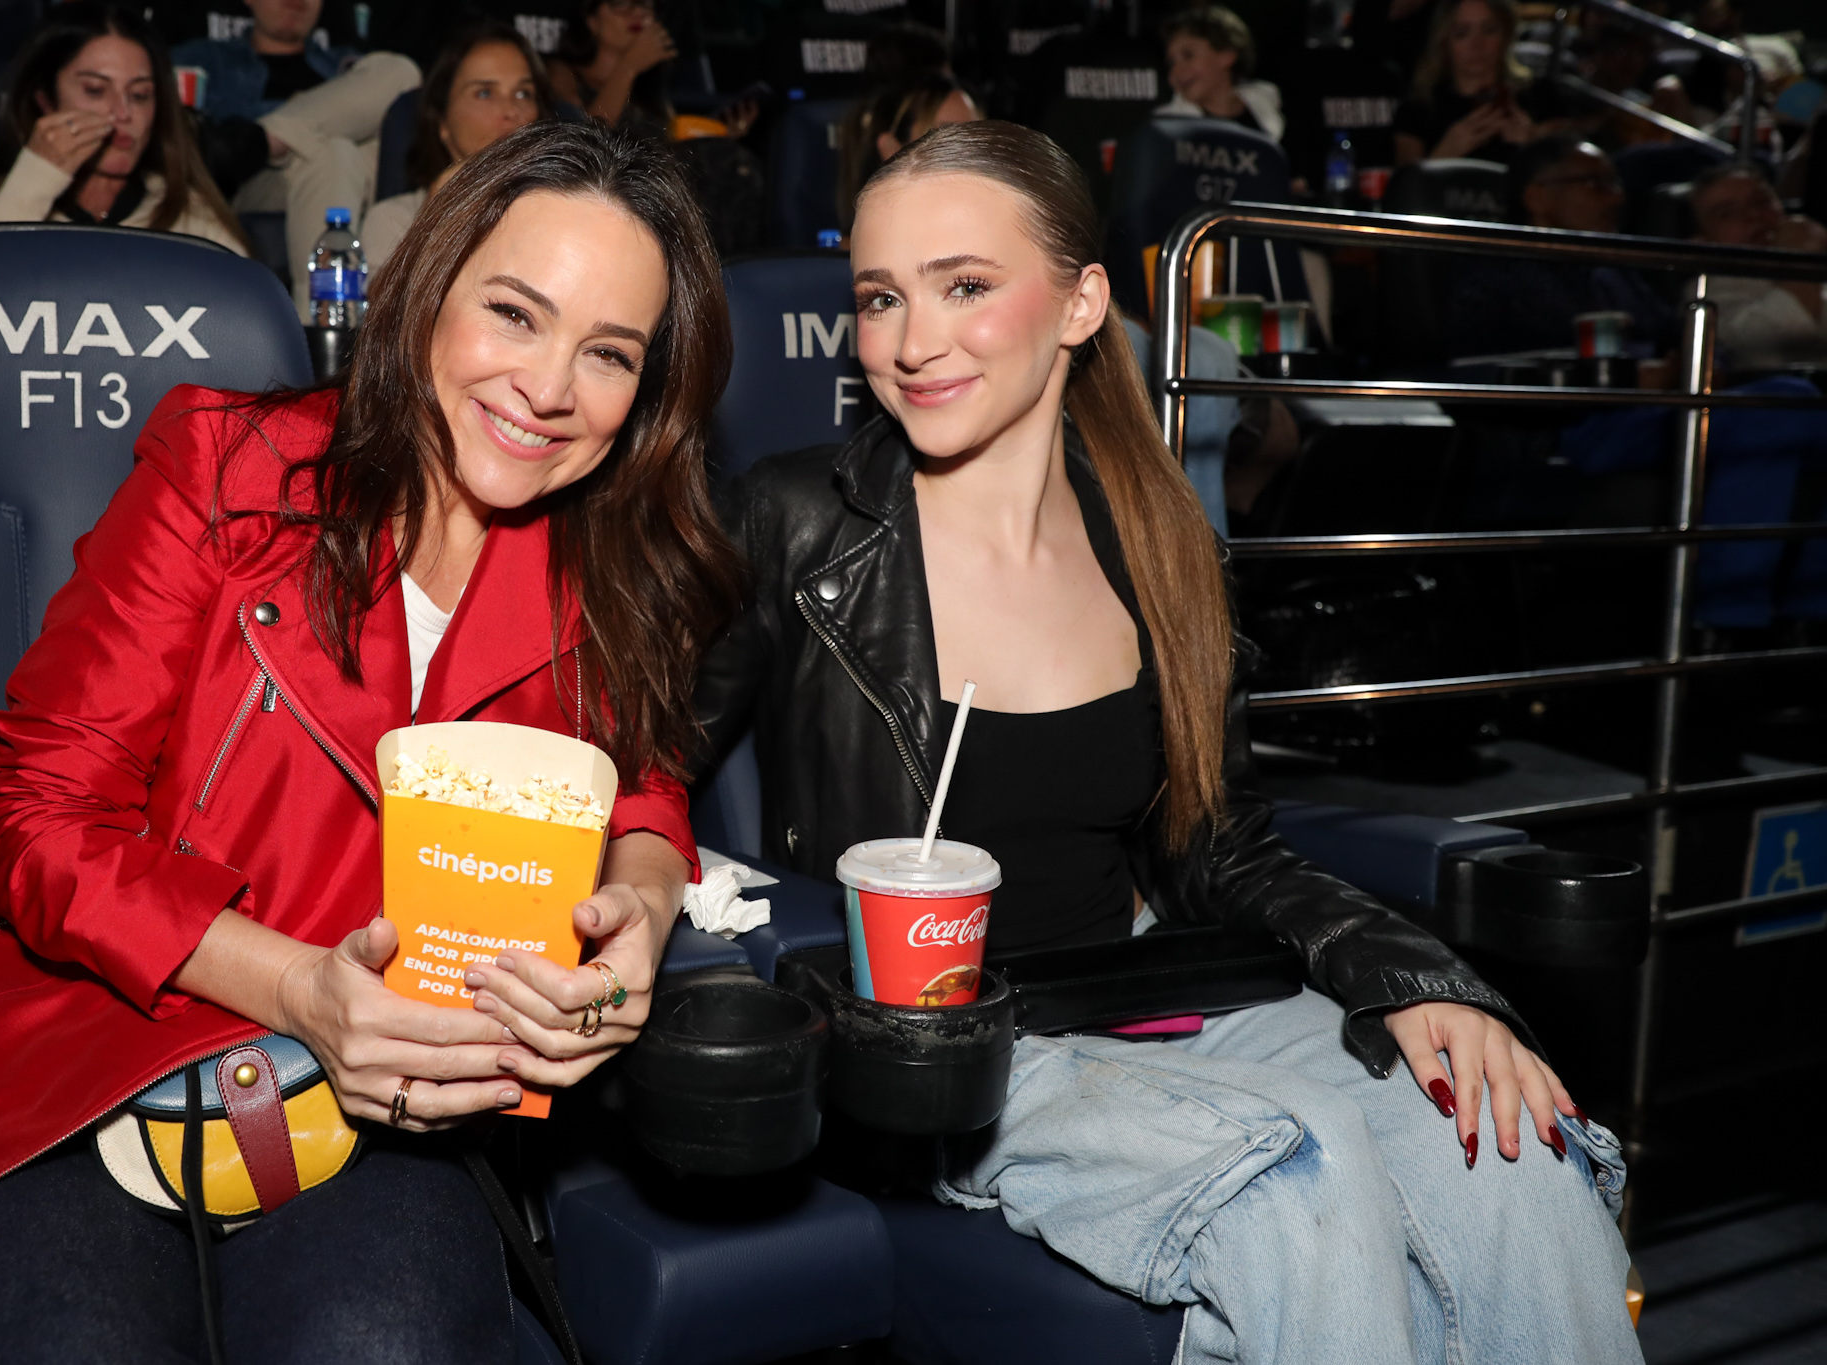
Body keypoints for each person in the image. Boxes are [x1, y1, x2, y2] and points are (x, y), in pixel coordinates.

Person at [694, 120, 1639, 1364]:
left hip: (1150, 993)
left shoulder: (1158, 539)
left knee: (1509, 1150)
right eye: (879, 297)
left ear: (1081, 303)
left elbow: (1218, 848)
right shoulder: (795, 522)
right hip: (946, 1052)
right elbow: (641, 777)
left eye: (964, 286)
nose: (911, 342)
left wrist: (1411, 978)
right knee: (1292, 1179)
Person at [0, 120, 744, 1361]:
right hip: (93, 1039)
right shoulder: (225, 467)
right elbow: (35, 821)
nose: (550, 388)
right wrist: (297, 988)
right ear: (428, 289)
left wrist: (642, 918)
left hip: (397, 1088)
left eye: (607, 353)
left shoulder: (612, 564)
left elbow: (639, 786)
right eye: (514, 313)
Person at [0, 2, 246, 253]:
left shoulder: (192, 219)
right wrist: (34, 182)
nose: (123, 113)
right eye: (96, 90)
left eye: (140, 95)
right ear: (45, 100)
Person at [174, 0, 421, 314]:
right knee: (334, 149)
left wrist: (256, 139)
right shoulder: (205, 59)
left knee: (399, 73)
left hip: (340, 180)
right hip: (249, 184)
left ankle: (266, 139)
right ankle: (323, 323)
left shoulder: (345, 63)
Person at [1445, 136, 1672, 357]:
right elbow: (1541, 351)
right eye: (1595, 183)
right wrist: (1635, 370)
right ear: (1537, 198)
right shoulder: (1498, 272)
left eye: (1614, 183)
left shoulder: (1613, 267)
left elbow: (1666, 332)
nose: (1617, 197)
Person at [363, 21, 549, 274]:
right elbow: (386, 301)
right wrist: (435, 222)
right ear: (443, 121)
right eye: (485, 93)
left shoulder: (561, 212)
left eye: (523, 93)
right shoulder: (392, 220)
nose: (510, 110)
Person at [1693, 159, 1827, 369]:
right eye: (1727, 213)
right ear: (1701, 240)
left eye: (1761, 202)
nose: (1753, 215)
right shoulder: (1705, 293)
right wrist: (1802, 258)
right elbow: (1781, 337)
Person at [1394, 0, 1559, 166]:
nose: (1477, 44)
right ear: (1444, 41)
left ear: (1506, 35)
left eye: (1489, 30)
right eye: (1462, 33)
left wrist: (1531, 144)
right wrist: (1445, 153)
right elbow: (1404, 179)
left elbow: (1566, 166)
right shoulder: (1419, 108)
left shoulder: (1540, 95)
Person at [835, 71, 981, 232]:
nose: (967, 154)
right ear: (892, 151)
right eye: (946, 140)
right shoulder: (872, 241)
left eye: (976, 137)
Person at [1154, 5, 1285, 142]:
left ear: (1227, 55)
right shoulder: (1165, 127)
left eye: (1188, 55)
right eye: (1171, 63)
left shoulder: (1266, 109)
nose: (1177, 71)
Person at [547, 0, 676, 130]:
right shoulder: (562, 73)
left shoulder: (649, 82)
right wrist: (629, 67)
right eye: (621, 3)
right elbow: (589, 133)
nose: (638, 12)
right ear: (591, 20)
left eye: (645, 4)